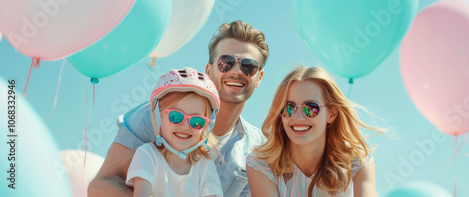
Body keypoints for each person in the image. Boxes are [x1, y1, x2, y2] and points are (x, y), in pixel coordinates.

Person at [88, 20, 269, 197]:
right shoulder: (157, 114)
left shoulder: (259, 148)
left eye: (248, 66)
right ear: (209, 69)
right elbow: (99, 187)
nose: (236, 71)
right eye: (226, 62)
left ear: (259, 77)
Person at [246, 66, 383, 197]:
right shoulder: (260, 165)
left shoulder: (358, 163)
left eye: (311, 108)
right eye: (289, 108)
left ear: (332, 114)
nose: (298, 117)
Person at [125, 67, 223, 197]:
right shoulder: (147, 155)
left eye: (196, 122)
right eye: (176, 117)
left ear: (206, 127)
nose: (184, 126)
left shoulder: (204, 164)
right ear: (158, 117)